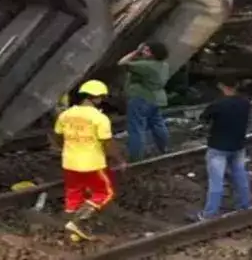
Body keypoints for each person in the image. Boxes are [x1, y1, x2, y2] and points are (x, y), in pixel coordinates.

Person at [53, 80, 126, 241]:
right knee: (104, 193)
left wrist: (65, 148)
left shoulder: (65, 115)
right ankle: (78, 222)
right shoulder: (99, 118)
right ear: (98, 98)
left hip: (69, 162)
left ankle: (69, 226)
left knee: (73, 193)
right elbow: (107, 143)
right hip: (92, 164)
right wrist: (119, 160)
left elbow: (58, 136)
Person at [195, 76, 252, 220]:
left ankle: (209, 214)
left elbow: (203, 118)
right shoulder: (245, 103)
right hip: (238, 145)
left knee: (216, 181)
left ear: (221, 86)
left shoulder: (218, 104)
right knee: (241, 176)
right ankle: (245, 206)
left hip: (218, 146)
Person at [118, 42, 170, 161]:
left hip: (140, 99)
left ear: (153, 54)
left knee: (136, 129)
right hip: (156, 99)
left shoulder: (145, 66)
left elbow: (122, 63)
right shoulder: (164, 65)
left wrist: (136, 52)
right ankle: (164, 148)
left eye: (146, 51)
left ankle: (136, 157)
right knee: (158, 124)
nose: (143, 52)